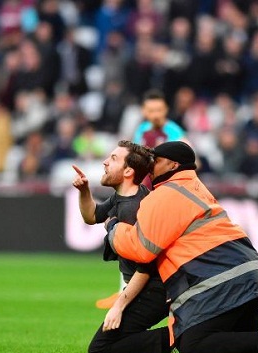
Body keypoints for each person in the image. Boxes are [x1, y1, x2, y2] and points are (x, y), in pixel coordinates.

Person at [107, 140, 258, 353]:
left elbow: (141, 248)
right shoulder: (195, 188)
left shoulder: (165, 195)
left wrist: (114, 228)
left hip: (220, 279)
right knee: (236, 343)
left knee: (193, 345)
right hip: (247, 273)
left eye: (156, 161)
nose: (150, 166)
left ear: (172, 166)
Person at [73, 140, 170, 353]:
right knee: (116, 343)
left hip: (153, 289)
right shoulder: (127, 195)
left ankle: (179, 336)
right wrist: (84, 190)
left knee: (100, 348)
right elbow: (92, 216)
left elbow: (145, 268)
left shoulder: (132, 209)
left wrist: (119, 305)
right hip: (152, 287)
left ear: (128, 171)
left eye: (113, 159)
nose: (105, 162)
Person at [96, 88, 190, 310]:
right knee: (130, 242)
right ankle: (124, 290)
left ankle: (163, 289)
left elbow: (189, 158)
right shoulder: (142, 131)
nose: (155, 114)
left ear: (165, 110)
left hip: (164, 196)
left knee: (144, 245)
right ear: (144, 111)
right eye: (150, 110)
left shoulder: (174, 132)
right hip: (144, 194)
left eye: (158, 109)